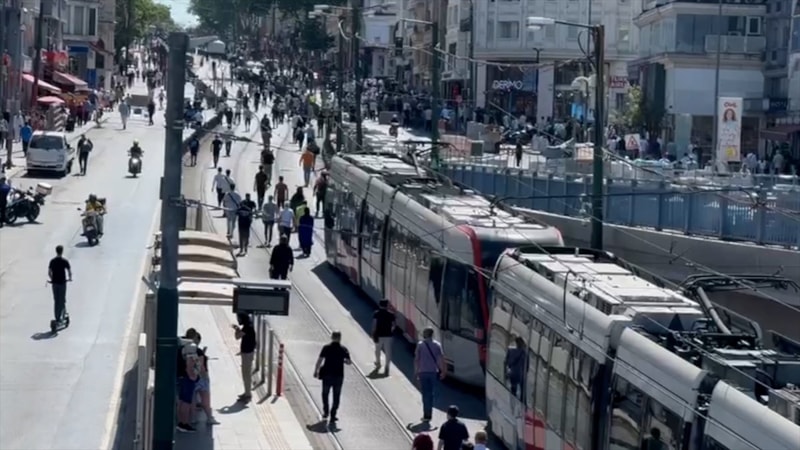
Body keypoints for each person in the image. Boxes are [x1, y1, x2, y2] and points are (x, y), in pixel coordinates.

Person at [314, 331, 351, 423]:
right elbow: (349, 362)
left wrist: (316, 370)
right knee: (336, 395)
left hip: (327, 375)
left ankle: (326, 411)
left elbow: (320, 360)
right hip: (338, 376)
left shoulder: (326, 348)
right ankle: (333, 414)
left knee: (325, 394)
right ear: (340, 338)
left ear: (332, 337)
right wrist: (343, 361)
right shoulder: (343, 349)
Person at [415, 327, 446, 422]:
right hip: (433, 372)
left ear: (425, 334)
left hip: (423, 372)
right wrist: (443, 371)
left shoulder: (420, 345)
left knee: (425, 394)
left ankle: (426, 415)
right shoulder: (437, 345)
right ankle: (430, 414)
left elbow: (417, 359)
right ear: (432, 334)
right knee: (431, 393)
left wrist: (416, 372)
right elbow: (441, 359)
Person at [191, 332, 220, 425]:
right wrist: (204, 376)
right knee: (205, 400)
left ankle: (193, 418)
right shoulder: (198, 351)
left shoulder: (185, 350)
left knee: (192, 400)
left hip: (191, 377)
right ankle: (209, 418)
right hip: (201, 378)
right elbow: (201, 366)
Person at [177, 328, 201, 432]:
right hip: (188, 378)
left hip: (181, 376)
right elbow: (190, 363)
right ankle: (185, 423)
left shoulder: (181, 344)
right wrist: (193, 376)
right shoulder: (191, 347)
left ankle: (181, 422)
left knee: (182, 401)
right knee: (186, 401)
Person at [233, 313, 257, 402]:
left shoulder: (247, 327)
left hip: (247, 352)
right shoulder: (248, 324)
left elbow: (237, 336)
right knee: (246, 373)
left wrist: (236, 329)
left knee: (246, 374)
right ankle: (247, 392)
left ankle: (248, 395)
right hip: (247, 351)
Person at [48, 245, 72, 325]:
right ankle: (60, 317)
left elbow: (49, 272)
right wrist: (70, 278)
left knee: (56, 300)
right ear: (62, 251)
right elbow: (69, 271)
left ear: (56, 251)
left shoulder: (52, 261)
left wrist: (52, 279)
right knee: (62, 300)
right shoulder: (64, 261)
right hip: (62, 283)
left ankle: (57, 316)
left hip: (54, 284)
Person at [372, 299, 395, 375]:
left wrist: (373, 333)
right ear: (387, 306)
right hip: (388, 335)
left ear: (380, 305)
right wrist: (390, 330)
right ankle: (387, 367)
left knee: (377, 350)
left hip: (378, 335)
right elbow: (394, 325)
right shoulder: (391, 314)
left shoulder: (376, 314)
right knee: (388, 351)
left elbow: (374, 325)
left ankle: (378, 363)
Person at [505, 335, 526, 399]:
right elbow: (526, 366)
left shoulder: (511, 350)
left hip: (513, 373)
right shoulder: (524, 353)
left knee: (513, 389)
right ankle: (522, 402)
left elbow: (507, 362)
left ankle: (512, 403)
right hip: (521, 374)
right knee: (523, 390)